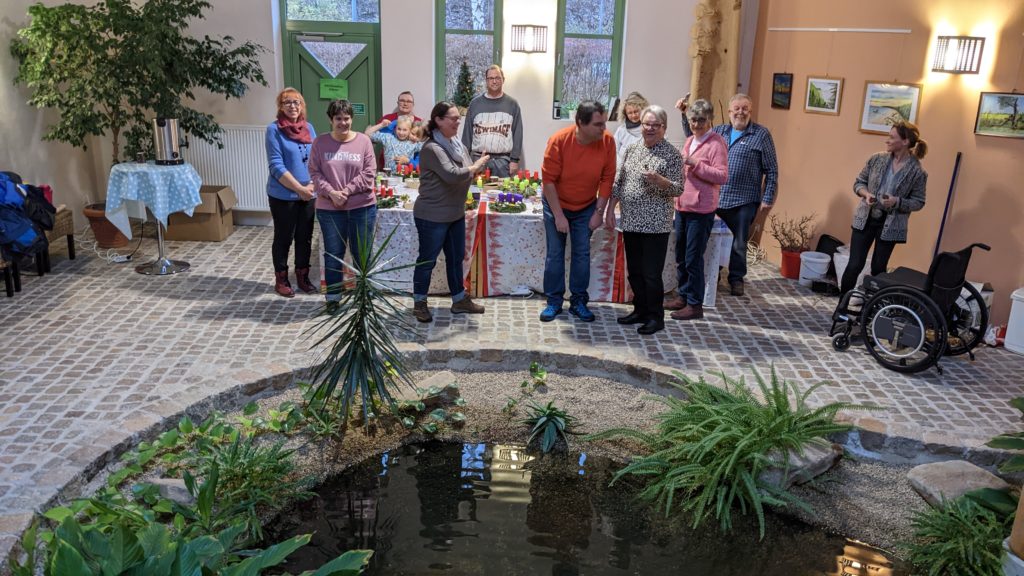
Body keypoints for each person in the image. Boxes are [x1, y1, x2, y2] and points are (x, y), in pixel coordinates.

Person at [674, 93, 778, 297]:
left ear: (751, 110)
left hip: (744, 199)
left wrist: (767, 198)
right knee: (713, 240)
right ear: (729, 112)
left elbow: (772, 169)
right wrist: (684, 114)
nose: (740, 112)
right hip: (717, 198)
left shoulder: (761, 134)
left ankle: (736, 278)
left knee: (739, 242)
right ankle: (714, 274)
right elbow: (695, 136)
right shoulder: (719, 131)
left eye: (745, 108)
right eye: (736, 109)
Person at [605, 105, 683, 335]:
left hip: (655, 225)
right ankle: (639, 310)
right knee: (635, 271)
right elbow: (619, 182)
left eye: (654, 125)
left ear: (664, 128)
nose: (649, 128)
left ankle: (655, 317)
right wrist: (611, 209)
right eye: (646, 124)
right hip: (630, 221)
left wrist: (661, 181)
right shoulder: (632, 148)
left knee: (651, 273)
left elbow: (679, 189)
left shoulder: (671, 154)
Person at [412, 101, 490, 323]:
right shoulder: (432, 148)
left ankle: (458, 300)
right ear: (438, 120)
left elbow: (465, 172)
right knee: (426, 261)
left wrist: (474, 168)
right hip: (432, 216)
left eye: (458, 118)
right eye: (453, 118)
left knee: (456, 259)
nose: (458, 122)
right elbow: (453, 174)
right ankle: (419, 303)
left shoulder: (456, 143)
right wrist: (477, 166)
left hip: (454, 214)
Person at [539, 100, 617, 323]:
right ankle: (554, 302)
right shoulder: (559, 141)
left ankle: (579, 302)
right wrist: (559, 215)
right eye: (598, 124)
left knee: (582, 255)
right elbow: (549, 181)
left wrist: (598, 212)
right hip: (556, 203)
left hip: (586, 206)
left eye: (604, 123)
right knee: (555, 254)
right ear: (580, 124)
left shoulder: (607, 142)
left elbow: (608, 177)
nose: (603, 129)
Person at [840, 120, 928, 295]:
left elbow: (919, 201)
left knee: (878, 269)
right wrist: (866, 194)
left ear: (905, 142)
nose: (887, 140)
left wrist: (897, 201)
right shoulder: (876, 159)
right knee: (854, 264)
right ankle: (842, 306)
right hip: (865, 218)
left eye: (891, 137)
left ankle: (869, 308)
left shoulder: (917, 172)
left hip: (891, 225)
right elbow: (859, 183)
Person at [309, 99, 377, 311]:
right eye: (338, 118)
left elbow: (369, 173)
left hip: (362, 207)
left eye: (346, 118)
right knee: (333, 254)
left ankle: (364, 296)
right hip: (330, 210)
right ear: (330, 120)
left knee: (362, 254)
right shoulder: (319, 143)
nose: (343, 123)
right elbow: (314, 172)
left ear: (352, 119)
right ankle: (333, 298)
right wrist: (331, 193)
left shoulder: (364, 141)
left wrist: (345, 192)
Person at [670, 99, 728, 321]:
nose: (696, 124)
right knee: (681, 255)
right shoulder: (690, 140)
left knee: (694, 257)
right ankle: (683, 296)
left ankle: (695, 305)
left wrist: (696, 164)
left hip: (701, 209)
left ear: (710, 120)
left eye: (701, 120)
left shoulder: (716, 143)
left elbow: (722, 176)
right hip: (683, 204)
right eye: (693, 119)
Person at [265, 88, 317, 298]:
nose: (292, 106)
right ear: (280, 106)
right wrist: (299, 189)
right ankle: (282, 279)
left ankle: (302, 277)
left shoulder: (309, 128)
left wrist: (312, 185)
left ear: (302, 105)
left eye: (296, 102)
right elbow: (276, 166)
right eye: (287, 102)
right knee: (284, 237)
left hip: (309, 194)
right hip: (283, 195)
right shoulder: (273, 130)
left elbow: (316, 159)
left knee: (305, 238)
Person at [461, 65, 523, 178]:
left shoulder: (512, 104)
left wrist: (514, 160)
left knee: (502, 194)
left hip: (503, 162)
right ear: (486, 81)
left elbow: (517, 134)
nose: (494, 81)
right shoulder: (475, 104)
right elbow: (467, 134)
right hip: (478, 160)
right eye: (490, 78)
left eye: (497, 78)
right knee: (476, 193)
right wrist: (465, 160)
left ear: (503, 80)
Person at [613, 92, 649, 167]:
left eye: (636, 111)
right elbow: (613, 152)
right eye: (630, 113)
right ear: (625, 114)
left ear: (642, 110)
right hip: (621, 170)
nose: (633, 115)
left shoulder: (650, 129)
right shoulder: (621, 130)